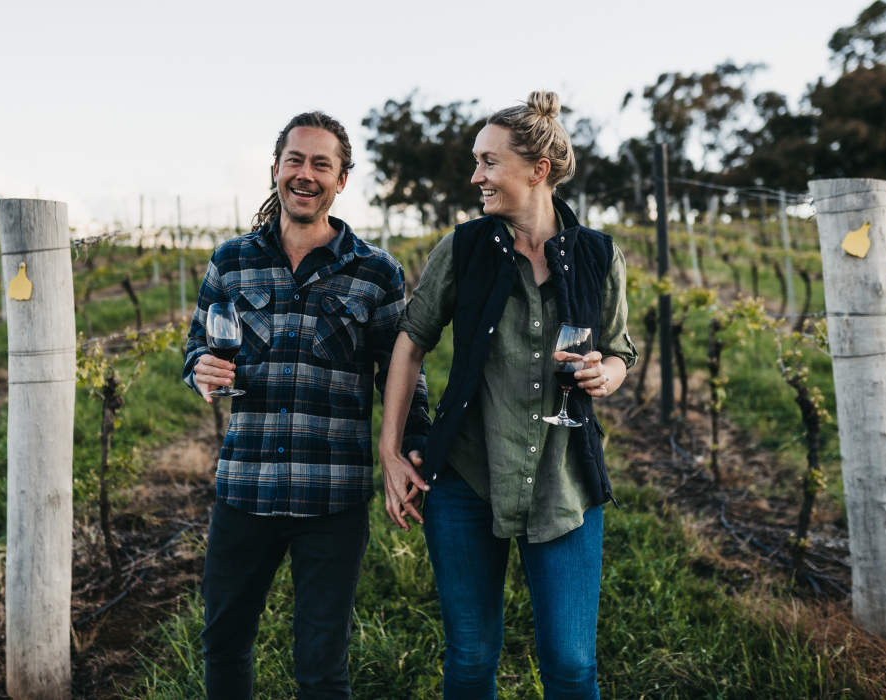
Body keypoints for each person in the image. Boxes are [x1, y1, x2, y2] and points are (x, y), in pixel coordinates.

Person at [377, 91, 637, 700]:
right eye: (477, 162)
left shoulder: (600, 256)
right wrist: (390, 451)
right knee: (470, 657)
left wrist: (611, 375)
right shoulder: (464, 249)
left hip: (563, 478)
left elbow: (621, 350)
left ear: (537, 171)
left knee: (571, 665)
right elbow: (410, 342)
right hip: (467, 476)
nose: (476, 176)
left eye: (489, 162)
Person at [183, 111, 431, 700]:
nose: (306, 174)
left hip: (333, 498)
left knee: (322, 668)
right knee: (224, 644)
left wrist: (411, 451)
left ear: (341, 180)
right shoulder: (232, 261)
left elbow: (402, 378)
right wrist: (199, 369)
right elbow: (197, 345)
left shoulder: (377, 273)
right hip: (245, 489)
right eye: (295, 160)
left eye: (322, 164)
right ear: (275, 170)